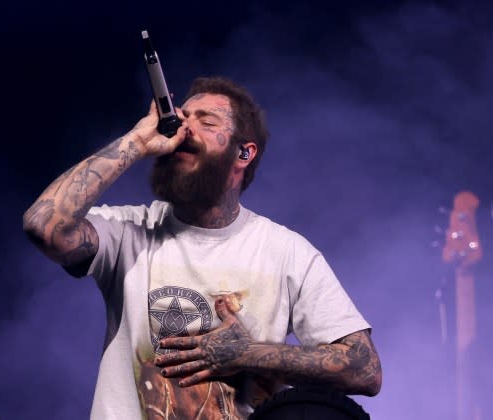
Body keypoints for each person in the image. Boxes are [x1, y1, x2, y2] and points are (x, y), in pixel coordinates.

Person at [23, 76, 382, 419]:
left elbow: (364, 369)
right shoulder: (129, 231)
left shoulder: (287, 253)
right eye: (181, 119)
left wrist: (247, 354)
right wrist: (137, 140)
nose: (183, 130)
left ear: (244, 153)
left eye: (206, 122)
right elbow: (43, 226)